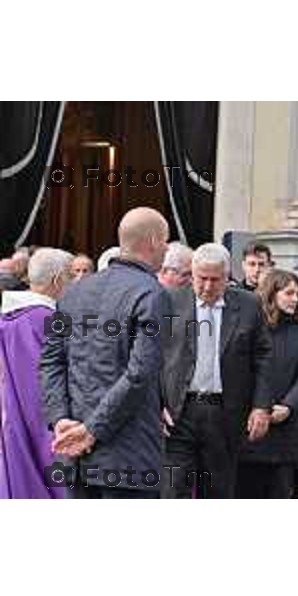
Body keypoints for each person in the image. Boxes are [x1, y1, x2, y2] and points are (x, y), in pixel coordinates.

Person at [41, 207, 171, 499]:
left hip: (77, 453)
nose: (166, 249)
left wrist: (62, 419)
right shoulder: (152, 294)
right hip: (127, 456)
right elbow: (140, 373)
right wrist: (89, 430)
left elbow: (51, 362)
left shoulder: (74, 291)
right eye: (165, 241)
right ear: (152, 241)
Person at [161, 243, 273, 499]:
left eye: (215, 279)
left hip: (225, 414)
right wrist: (155, 403)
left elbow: (264, 357)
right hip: (179, 413)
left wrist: (261, 406)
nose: (208, 287)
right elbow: (154, 355)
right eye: (202, 279)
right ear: (192, 274)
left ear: (227, 277)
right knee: (172, 490)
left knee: (218, 491)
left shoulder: (248, 305)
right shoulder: (171, 301)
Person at [0, 248, 73, 498]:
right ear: (57, 281)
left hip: (11, 416)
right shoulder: (49, 320)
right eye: (71, 276)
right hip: (47, 420)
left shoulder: (7, 317)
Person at [236, 270, 298, 499]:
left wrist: (289, 406)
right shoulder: (250, 327)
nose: (295, 299)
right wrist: (262, 406)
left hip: (286, 432)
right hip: (252, 426)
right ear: (272, 293)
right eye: (289, 293)